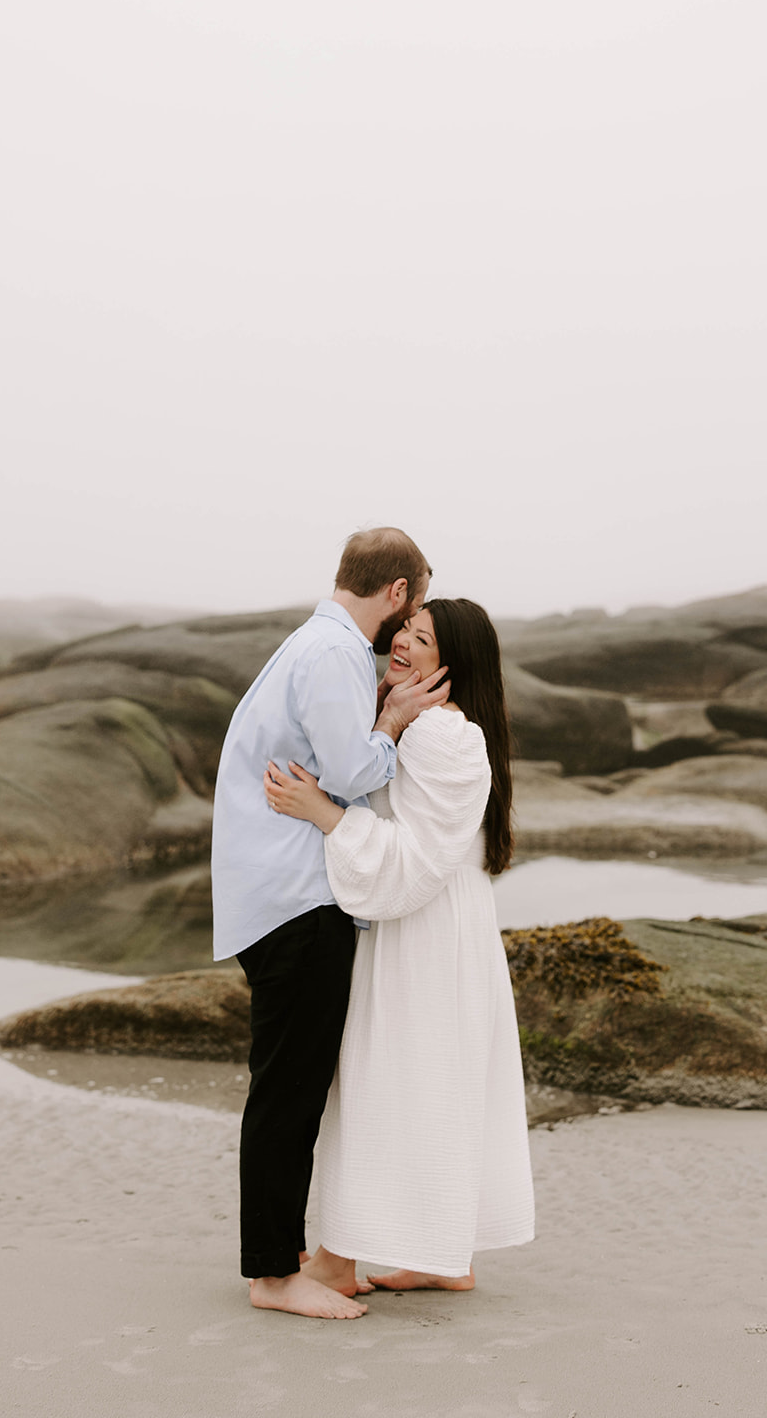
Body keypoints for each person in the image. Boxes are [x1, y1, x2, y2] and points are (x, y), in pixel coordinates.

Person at [210, 527, 449, 1320]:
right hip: (294, 900)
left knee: (291, 1087)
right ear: (398, 592)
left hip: (278, 896)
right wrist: (394, 722)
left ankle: (284, 1263)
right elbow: (350, 773)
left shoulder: (316, 646)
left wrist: (376, 718)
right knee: (289, 1092)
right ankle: (274, 1274)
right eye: (412, 604)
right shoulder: (336, 655)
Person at [264, 598, 535, 1294]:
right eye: (404, 633)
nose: (403, 646)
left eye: (423, 640)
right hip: (445, 925)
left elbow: (414, 860)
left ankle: (337, 1260)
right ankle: (445, 1256)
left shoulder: (437, 734)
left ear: (454, 665)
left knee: (386, 1082)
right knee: (434, 1081)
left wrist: (321, 814)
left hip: (422, 930)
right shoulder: (436, 727)